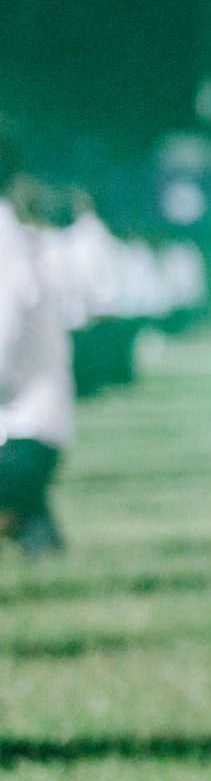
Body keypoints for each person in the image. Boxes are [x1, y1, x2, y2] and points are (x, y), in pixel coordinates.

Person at [0, 132, 74, 557]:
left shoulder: (4, 247)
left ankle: (21, 510)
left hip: (23, 437)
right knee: (41, 547)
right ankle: (35, 527)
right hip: (28, 431)